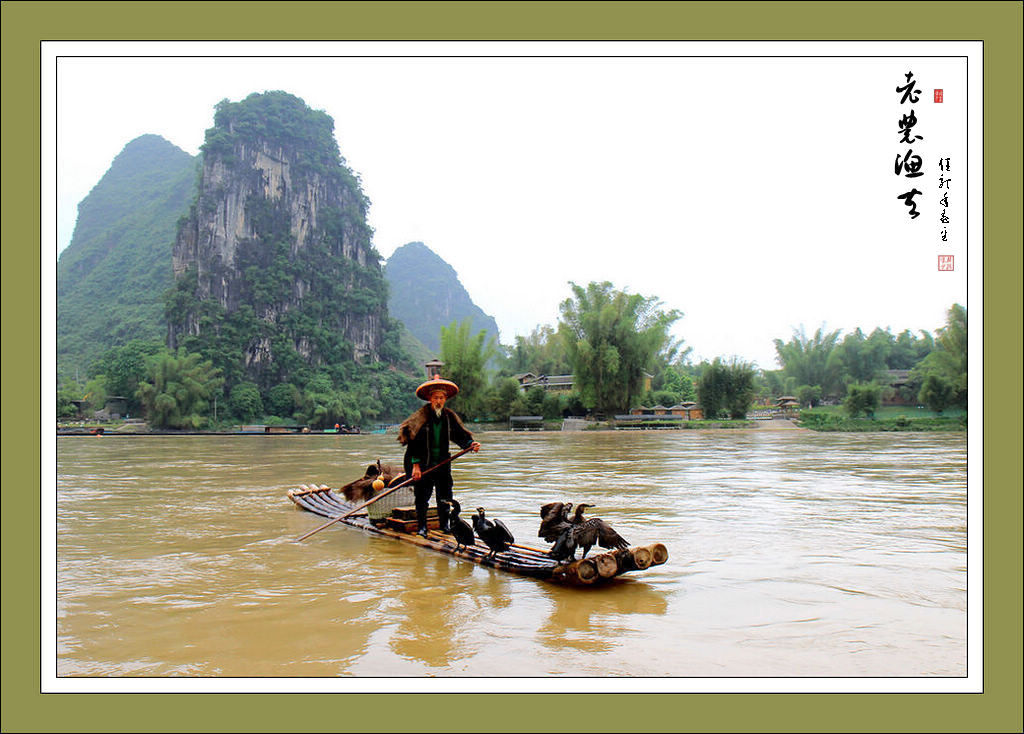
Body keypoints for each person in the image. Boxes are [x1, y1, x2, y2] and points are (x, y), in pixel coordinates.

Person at [397, 375, 481, 537]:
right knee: (422, 496)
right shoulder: (420, 418)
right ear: (430, 399)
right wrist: (415, 466)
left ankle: (445, 525)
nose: (438, 401)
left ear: (445, 399)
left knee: (445, 495)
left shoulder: (448, 417)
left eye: (441, 398)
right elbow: (412, 443)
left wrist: (470, 444)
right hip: (422, 463)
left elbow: (459, 435)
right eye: (435, 398)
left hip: (442, 463)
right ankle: (422, 527)